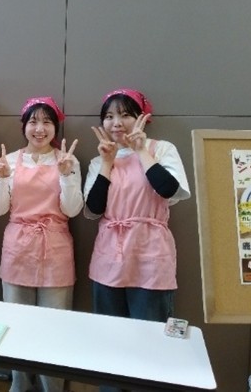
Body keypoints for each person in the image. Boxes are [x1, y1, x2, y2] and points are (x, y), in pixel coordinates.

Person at [83, 88, 190, 392]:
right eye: (109, 116)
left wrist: (141, 151)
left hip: (150, 254)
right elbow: (93, 209)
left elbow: (169, 190)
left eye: (125, 115)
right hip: (109, 255)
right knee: (110, 339)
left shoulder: (162, 149)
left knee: (151, 339)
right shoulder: (99, 160)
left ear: (143, 118)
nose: (116, 123)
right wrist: (107, 163)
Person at [0, 96, 83, 392]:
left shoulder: (68, 160)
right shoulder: (10, 161)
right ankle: (20, 386)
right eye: (33, 121)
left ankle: (52, 388)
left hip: (55, 246)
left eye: (46, 122)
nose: (39, 128)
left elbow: (72, 209)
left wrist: (67, 175)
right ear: (23, 126)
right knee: (16, 324)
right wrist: (1, 179)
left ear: (55, 128)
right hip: (18, 247)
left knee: (54, 327)